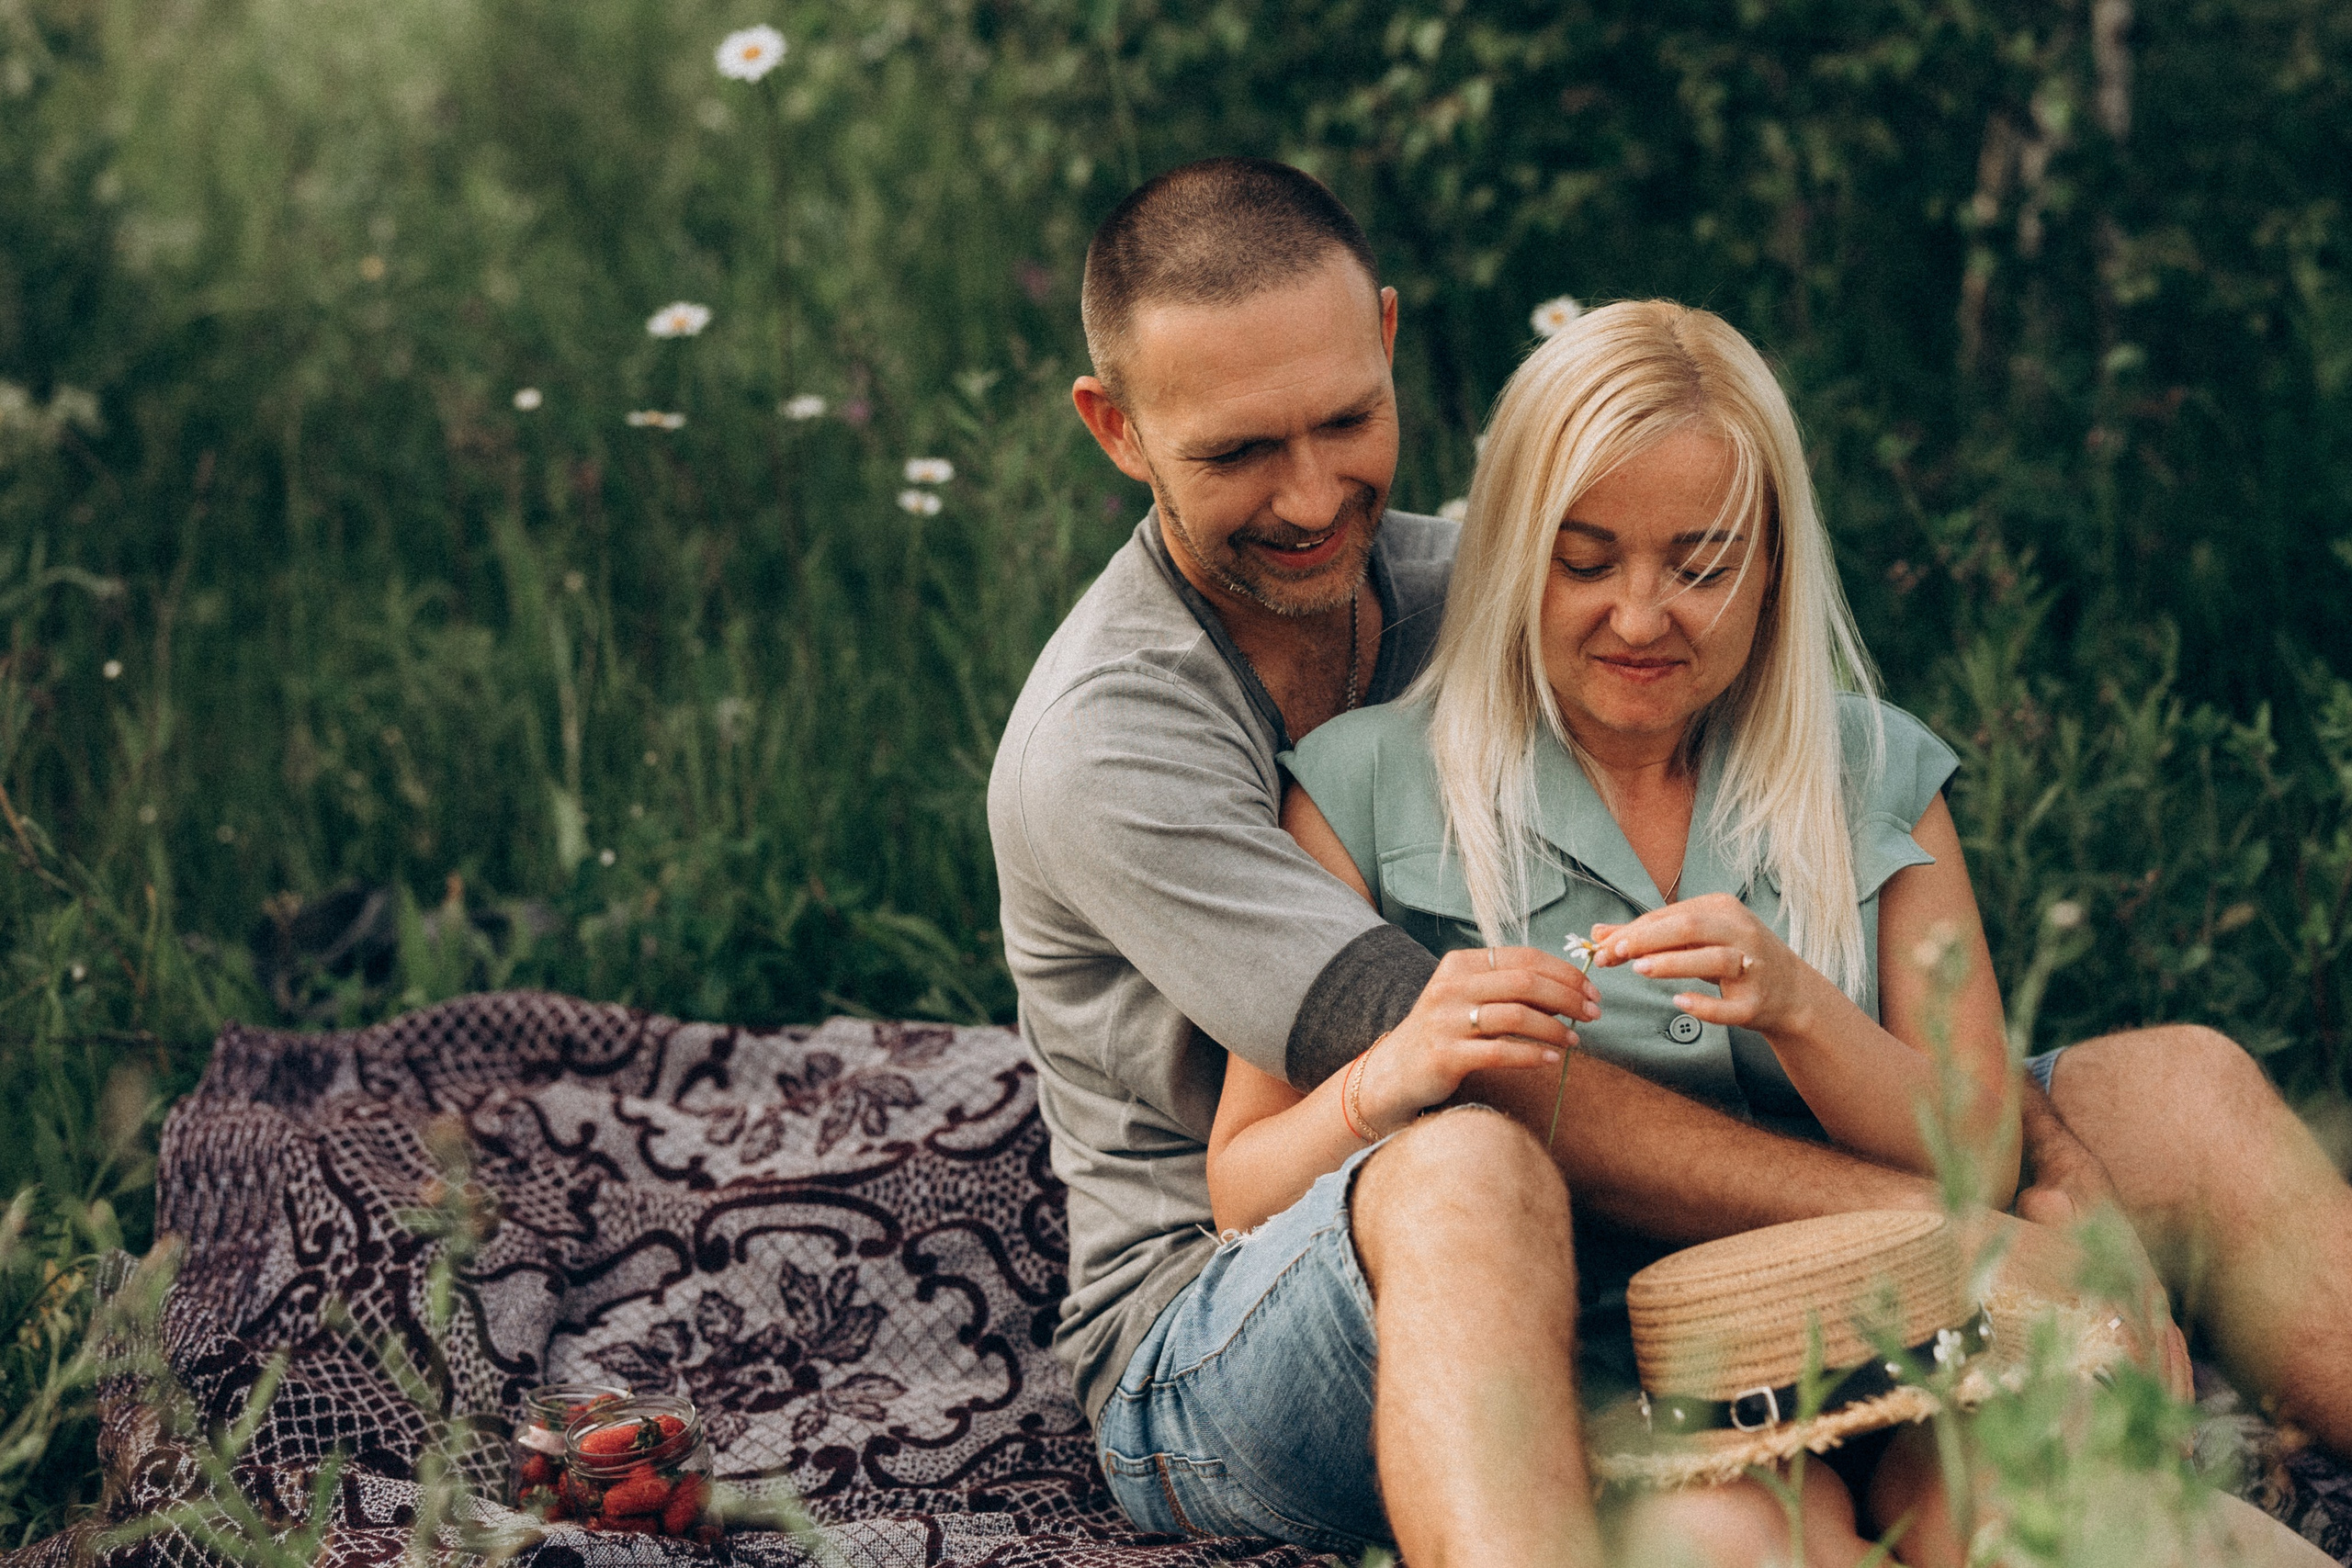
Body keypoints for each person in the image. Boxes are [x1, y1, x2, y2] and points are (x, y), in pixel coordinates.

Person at [987, 155, 2352, 1562]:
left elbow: (1693, 583)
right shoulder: (1112, 745)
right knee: (1467, 1166)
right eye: (1238, 452)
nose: (1314, 494)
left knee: (2181, 1090)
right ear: (1117, 427)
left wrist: (2054, 1181)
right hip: (1261, 1312)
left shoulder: (1516, 578)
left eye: (1346, 419)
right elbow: (1499, 1080)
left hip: (1704, 1206)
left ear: (1390, 341)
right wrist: (1966, 1236)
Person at [1254, 298, 2001, 1562]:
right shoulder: (1362, 789)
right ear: (1504, 559)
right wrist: (1395, 1070)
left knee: (2027, 1512)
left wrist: (1805, 1011)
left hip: (1897, 1342)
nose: (1643, 618)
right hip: (1600, 1379)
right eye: (1585, 562)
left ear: (1772, 567)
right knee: (1765, 1538)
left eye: (1702, 567)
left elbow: (1980, 1153)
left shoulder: (1874, 771)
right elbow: (1241, 1186)